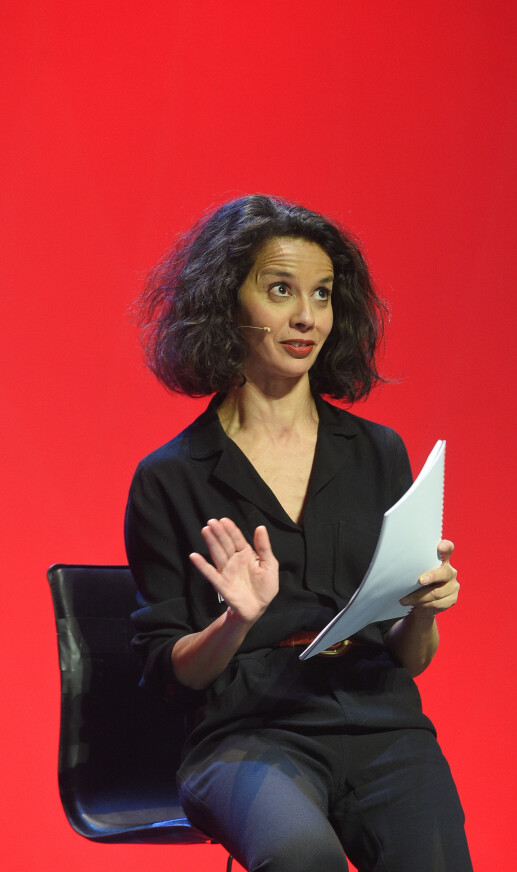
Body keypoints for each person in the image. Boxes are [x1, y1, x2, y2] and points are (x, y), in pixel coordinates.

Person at [125, 194, 473, 872]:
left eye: (321, 294)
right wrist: (233, 622)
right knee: (299, 855)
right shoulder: (168, 477)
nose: (306, 317)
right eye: (280, 290)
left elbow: (410, 658)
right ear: (229, 302)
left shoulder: (379, 452)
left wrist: (422, 612)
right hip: (245, 733)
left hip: (379, 718)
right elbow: (169, 679)